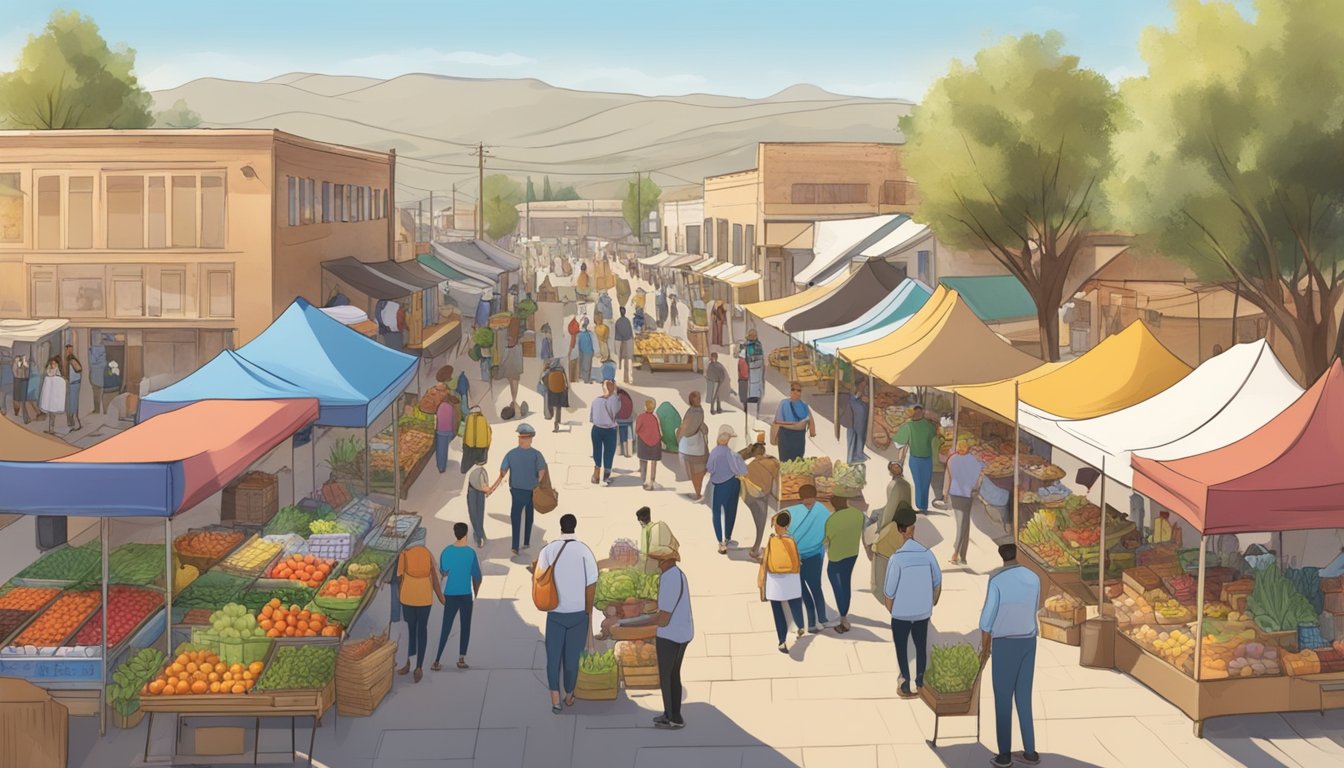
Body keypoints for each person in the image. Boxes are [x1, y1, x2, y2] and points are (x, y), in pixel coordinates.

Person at [980, 541, 1041, 768]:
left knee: (1003, 700)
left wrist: (985, 650)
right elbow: (1035, 606)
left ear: (1000, 556)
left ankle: (1004, 755)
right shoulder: (1034, 578)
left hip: (1004, 644)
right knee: (1024, 698)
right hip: (1028, 642)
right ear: (1017, 554)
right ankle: (1030, 752)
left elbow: (987, 620)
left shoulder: (996, 581)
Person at [536, 514, 598, 714]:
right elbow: (591, 586)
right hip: (578, 615)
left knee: (553, 659)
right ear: (575, 527)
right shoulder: (584, 551)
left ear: (560, 527)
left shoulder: (549, 550)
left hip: (555, 614)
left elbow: (538, 576)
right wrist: (589, 614)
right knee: (571, 661)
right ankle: (569, 695)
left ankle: (555, 700)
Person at [883, 504, 942, 698]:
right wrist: (932, 603)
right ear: (913, 527)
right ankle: (920, 682)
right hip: (922, 611)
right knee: (920, 645)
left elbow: (889, 591)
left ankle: (905, 683)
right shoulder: (927, 554)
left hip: (900, 612)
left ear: (900, 530)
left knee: (901, 648)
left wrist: (891, 609)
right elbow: (937, 581)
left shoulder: (896, 559)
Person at [488, 423, 549, 555]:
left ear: (520, 438)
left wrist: (497, 483)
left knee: (515, 517)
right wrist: (536, 482)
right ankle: (526, 541)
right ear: (531, 439)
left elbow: (503, 471)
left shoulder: (511, 454)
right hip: (531, 491)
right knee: (529, 516)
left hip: (516, 491)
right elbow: (542, 471)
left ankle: (515, 546)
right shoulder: (536, 454)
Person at [650, 541, 692, 729]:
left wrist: (635, 621)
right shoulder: (679, 574)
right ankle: (675, 715)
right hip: (683, 633)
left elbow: (663, 619)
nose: (658, 564)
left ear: (666, 561)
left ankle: (671, 717)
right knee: (674, 674)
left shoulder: (668, 578)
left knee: (666, 676)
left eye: (659, 560)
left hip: (670, 635)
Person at [434, 522, 482, 671]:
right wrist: (476, 591)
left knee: (446, 627)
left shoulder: (446, 551)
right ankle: (461, 658)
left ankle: (437, 660)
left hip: (450, 594)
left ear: (455, 533)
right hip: (466, 594)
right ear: (466, 534)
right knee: (465, 626)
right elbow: (477, 576)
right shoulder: (470, 553)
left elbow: (443, 571)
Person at [784, 484, 830, 632]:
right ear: (801, 498)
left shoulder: (817, 511)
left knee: (814, 588)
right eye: (806, 500)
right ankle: (813, 622)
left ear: (815, 497)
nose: (808, 504)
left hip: (811, 556)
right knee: (806, 589)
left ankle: (821, 619)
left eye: (810, 500)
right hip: (803, 557)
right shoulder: (822, 510)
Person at [397, 541, 444, 683]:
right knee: (421, 630)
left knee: (410, 631)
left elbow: (399, 577)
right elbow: (435, 579)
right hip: (424, 598)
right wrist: (441, 598)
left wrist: (401, 595)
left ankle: (407, 663)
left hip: (408, 597)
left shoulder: (403, 554)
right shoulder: (428, 554)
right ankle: (419, 667)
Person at [758, 511, 806, 653]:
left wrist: (761, 579)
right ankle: (800, 626)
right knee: (794, 602)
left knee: (777, 609)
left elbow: (765, 560)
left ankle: (782, 641)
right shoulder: (791, 540)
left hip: (775, 578)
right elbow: (796, 561)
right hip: (791, 576)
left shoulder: (772, 540)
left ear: (776, 525)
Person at [824, 494, 864, 633]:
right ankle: (844, 612)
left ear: (833, 505)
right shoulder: (858, 514)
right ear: (846, 501)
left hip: (836, 556)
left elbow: (825, 540)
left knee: (837, 584)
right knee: (846, 582)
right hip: (852, 553)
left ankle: (843, 617)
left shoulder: (831, 519)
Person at [706, 425, 749, 554]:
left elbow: (710, 469)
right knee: (731, 510)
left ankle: (721, 542)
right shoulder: (733, 454)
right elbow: (743, 471)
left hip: (720, 485)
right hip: (734, 483)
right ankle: (728, 537)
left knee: (717, 513)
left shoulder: (714, 453)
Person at [944, 439, 986, 566]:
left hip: (955, 493)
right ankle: (959, 554)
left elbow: (948, 477)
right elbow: (981, 473)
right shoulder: (973, 460)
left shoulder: (951, 459)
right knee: (964, 524)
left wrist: (945, 494)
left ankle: (959, 554)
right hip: (967, 495)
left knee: (962, 523)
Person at [740, 438, 780, 561]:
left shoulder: (749, 463)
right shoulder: (773, 462)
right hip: (761, 494)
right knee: (760, 523)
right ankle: (755, 549)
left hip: (747, 494)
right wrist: (777, 497)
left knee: (756, 520)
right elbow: (775, 484)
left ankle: (755, 549)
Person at [894, 404, 937, 512]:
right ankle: (921, 507)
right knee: (921, 483)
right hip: (920, 459)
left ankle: (922, 507)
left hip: (922, 459)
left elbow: (899, 443)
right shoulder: (922, 425)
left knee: (922, 483)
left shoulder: (912, 425)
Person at [675, 391, 709, 500]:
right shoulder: (697, 411)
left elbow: (688, 427)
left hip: (690, 447)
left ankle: (696, 493)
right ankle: (696, 492)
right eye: (697, 398)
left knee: (694, 471)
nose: (699, 399)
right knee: (697, 471)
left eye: (699, 397)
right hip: (695, 445)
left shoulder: (694, 412)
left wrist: (679, 434)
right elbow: (694, 425)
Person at [772, 382, 816, 462]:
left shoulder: (804, 405)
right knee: (784, 462)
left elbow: (810, 419)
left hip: (799, 437)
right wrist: (794, 424)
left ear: (801, 392)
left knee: (797, 461)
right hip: (785, 435)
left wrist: (812, 431)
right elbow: (777, 421)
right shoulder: (784, 403)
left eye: (798, 390)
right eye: (793, 389)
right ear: (790, 391)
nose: (795, 392)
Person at [589, 379, 621, 485]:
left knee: (596, 451)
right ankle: (606, 476)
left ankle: (596, 474)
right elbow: (616, 412)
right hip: (610, 430)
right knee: (609, 452)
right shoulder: (614, 399)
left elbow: (591, 418)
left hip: (596, 429)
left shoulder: (595, 400)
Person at [635, 399, 663, 490]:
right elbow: (659, 430)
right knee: (653, 462)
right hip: (655, 442)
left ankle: (644, 480)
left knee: (643, 461)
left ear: (645, 407)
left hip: (643, 441)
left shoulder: (641, 417)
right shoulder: (655, 417)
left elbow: (637, 429)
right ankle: (652, 480)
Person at [738, 330, 764, 416]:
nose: (752, 337)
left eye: (754, 335)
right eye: (751, 335)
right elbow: (742, 362)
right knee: (748, 395)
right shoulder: (745, 346)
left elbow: (760, 358)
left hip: (755, 373)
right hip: (749, 375)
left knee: (754, 394)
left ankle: (753, 413)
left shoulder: (758, 345)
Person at [465, 455, 490, 547]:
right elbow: (482, 484)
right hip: (474, 491)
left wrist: (486, 488)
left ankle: (479, 534)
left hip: (476, 491)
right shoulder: (477, 471)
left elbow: (484, 483)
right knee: (476, 513)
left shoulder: (481, 471)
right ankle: (479, 534)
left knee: (476, 513)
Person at [38, 357, 66, 435]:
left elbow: (58, 381)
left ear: (57, 364)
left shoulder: (58, 372)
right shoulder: (50, 370)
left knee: (53, 413)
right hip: (50, 395)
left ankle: (52, 429)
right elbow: (48, 376)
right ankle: (50, 429)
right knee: (50, 413)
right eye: (52, 363)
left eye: (54, 363)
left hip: (54, 396)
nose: (53, 365)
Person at [541, 358, 570, 433]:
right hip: (560, 390)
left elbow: (543, 379)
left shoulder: (549, 370)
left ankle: (550, 415)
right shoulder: (561, 369)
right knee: (558, 407)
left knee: (550, 403)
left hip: (551, 390)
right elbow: (566, 380)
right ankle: (557, 424)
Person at [931, 415, 953, 510]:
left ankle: (941, 500)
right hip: (940, 467)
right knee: (941, 486)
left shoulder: (935, 440)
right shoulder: (942, 441)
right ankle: (942, 500)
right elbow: (942, 458)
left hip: (935, 467)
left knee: (938, 487)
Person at [434, 389, 459, 474]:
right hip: (449, 432)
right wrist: (454, 432)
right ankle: (443, 465)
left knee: (441, 450)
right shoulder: (452, 408)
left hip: (440, 431)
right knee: (446, 450)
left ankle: (441, 467)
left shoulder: (440, 406)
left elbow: (437, 420)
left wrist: (436, 429)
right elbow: (454, 421)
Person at [844, 388, 869, 465]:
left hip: (859, 417)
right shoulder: (851, 395)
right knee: (853, 435)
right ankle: (851, 458)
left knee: (860, 435)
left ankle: (858, 454)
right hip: (853, 417)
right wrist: (857, 396)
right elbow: (851, 398)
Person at [63, 345, 82, 431]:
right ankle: (71, 423)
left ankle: (75, 424)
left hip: (74, 384)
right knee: (70, 404)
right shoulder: (68, 360)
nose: (68, 352)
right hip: (72, 384)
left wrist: (74, 365)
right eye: (67, 350)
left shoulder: (72, 360)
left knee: (72, 404)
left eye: (69, 350)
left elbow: (79, 369)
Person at [614, 306, 635, 384]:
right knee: (627, 360)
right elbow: (629, 332)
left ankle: (623, 379)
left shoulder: (618, 321)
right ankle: (628, 379)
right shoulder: (627, 321)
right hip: (627, 341)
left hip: (620, 341)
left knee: (621, 361)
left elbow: (617, 333)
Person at [615, 386, 635, 458]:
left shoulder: (619, 397)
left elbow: (616, 409)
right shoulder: (628, 397)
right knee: (626, 436)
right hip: (628, 419)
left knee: (619, 435)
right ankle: (627, 452)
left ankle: (620, 451)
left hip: (620, 419)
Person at [575, 317, 596, 384]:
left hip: (588, 351)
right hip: (583, 351)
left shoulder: (589, 333)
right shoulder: (579, 334)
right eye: (584, 323)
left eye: (585, 323)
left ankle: (586, 379)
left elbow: (593, 342)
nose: (585, 324)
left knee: (587, 366)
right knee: (585, 365)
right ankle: (585, 379)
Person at [12, 354, 31, 423]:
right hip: (18, 380)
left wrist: (24, 364)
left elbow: (27, 369)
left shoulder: (24, 364)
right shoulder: (16, 363)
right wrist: (18, 376)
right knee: (17, 397)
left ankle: (25, 417)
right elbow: (14, 372)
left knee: (23, 398)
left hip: (23, 380)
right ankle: (16, 411)